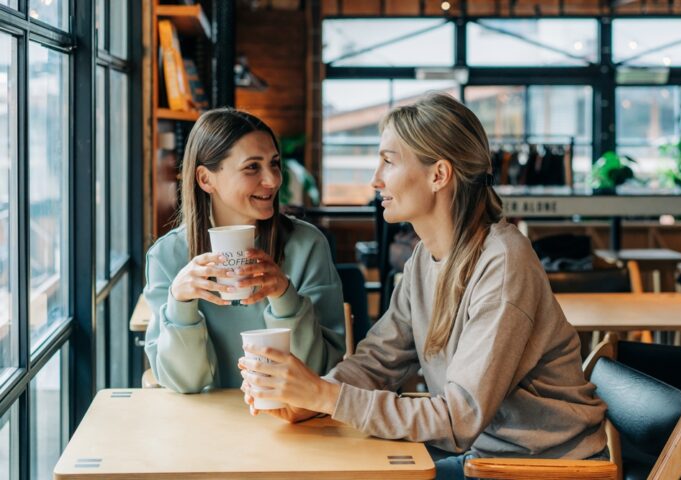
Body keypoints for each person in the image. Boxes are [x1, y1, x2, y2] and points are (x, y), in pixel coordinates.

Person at [238, 93, 608, 479]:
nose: (375, 180)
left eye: (388, 161)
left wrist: (324, 396)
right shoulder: (424, 260)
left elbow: (457, 419)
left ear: (439, 175)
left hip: (544, 470)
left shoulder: (502, 262)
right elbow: (377, 361)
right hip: (485, 457)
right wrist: (310, 398)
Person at [144, 108, 345, 393]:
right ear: (205, 179)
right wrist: (181, 304)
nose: (273, 180)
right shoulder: (167, 257)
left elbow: (318, 372)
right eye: (252, 167)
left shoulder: (307, 245)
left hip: (292, 423)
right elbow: (185, 384)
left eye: (274, 164)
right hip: (204, 427)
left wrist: (284, 296)